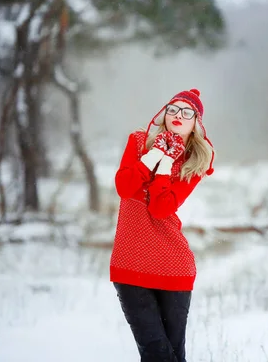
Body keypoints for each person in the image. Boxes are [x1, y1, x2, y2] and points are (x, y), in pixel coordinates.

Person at [110, 88, 215, 362]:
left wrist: (167, 162)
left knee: (174, 355)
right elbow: (124, 187)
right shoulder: (138, 142)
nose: (178, 115)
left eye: (187, 112)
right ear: (163, 114)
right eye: (173, 109)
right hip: (129, 264)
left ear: (197, 124)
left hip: (173, 267)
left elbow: (160, 208)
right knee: (156, 353)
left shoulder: (194, 162)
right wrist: (153, 155)